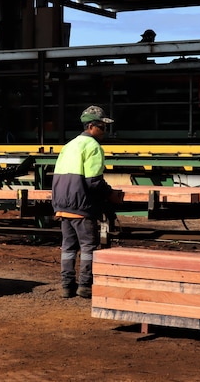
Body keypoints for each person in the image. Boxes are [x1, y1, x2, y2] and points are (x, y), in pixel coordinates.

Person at [51, 105, 122, 299]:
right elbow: (94, 181)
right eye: (102, 127)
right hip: (81, 205)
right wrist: (111, 195)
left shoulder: (70, 145)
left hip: (63, 205)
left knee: (68, 247)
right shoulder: (93, 147)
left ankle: (66, 286)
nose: (105, 131)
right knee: (88, 247)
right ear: (91, 126)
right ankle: (85, 286)